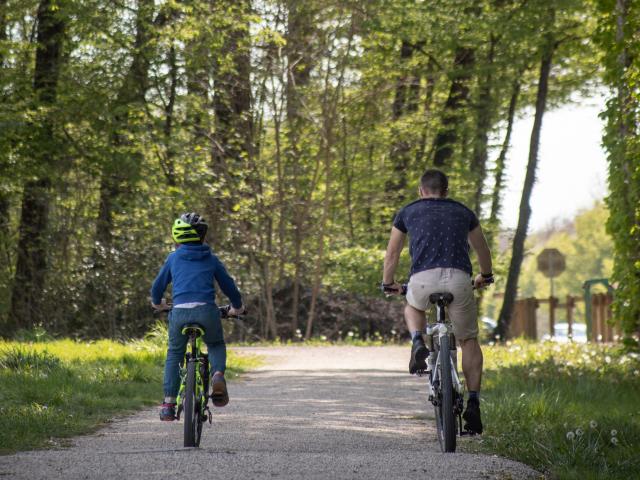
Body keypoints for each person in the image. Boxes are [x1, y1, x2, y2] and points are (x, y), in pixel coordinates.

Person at [382, 169, 493, 434]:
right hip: (459, 279)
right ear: (446, 190)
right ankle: (474, 402)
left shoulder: (408, 212)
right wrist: (485, 276)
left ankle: (418, 340)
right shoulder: (464, 212)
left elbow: (393, 253)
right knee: (468, 341)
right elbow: (482, 249)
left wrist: (388, 283)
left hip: (422, 279)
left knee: (413, 306)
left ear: (421, 191)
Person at [151, 212, 245, 421]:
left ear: (178, 237)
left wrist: (157, 303)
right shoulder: (211, 259)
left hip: (180, 313)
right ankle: (217, 375)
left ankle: (168, 404)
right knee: (215, 345)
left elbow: (157, 287)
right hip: (207, 311)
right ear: (203, 236)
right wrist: (236, 307)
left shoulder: (173, 258)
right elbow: (229, 286)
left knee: (174, 354)